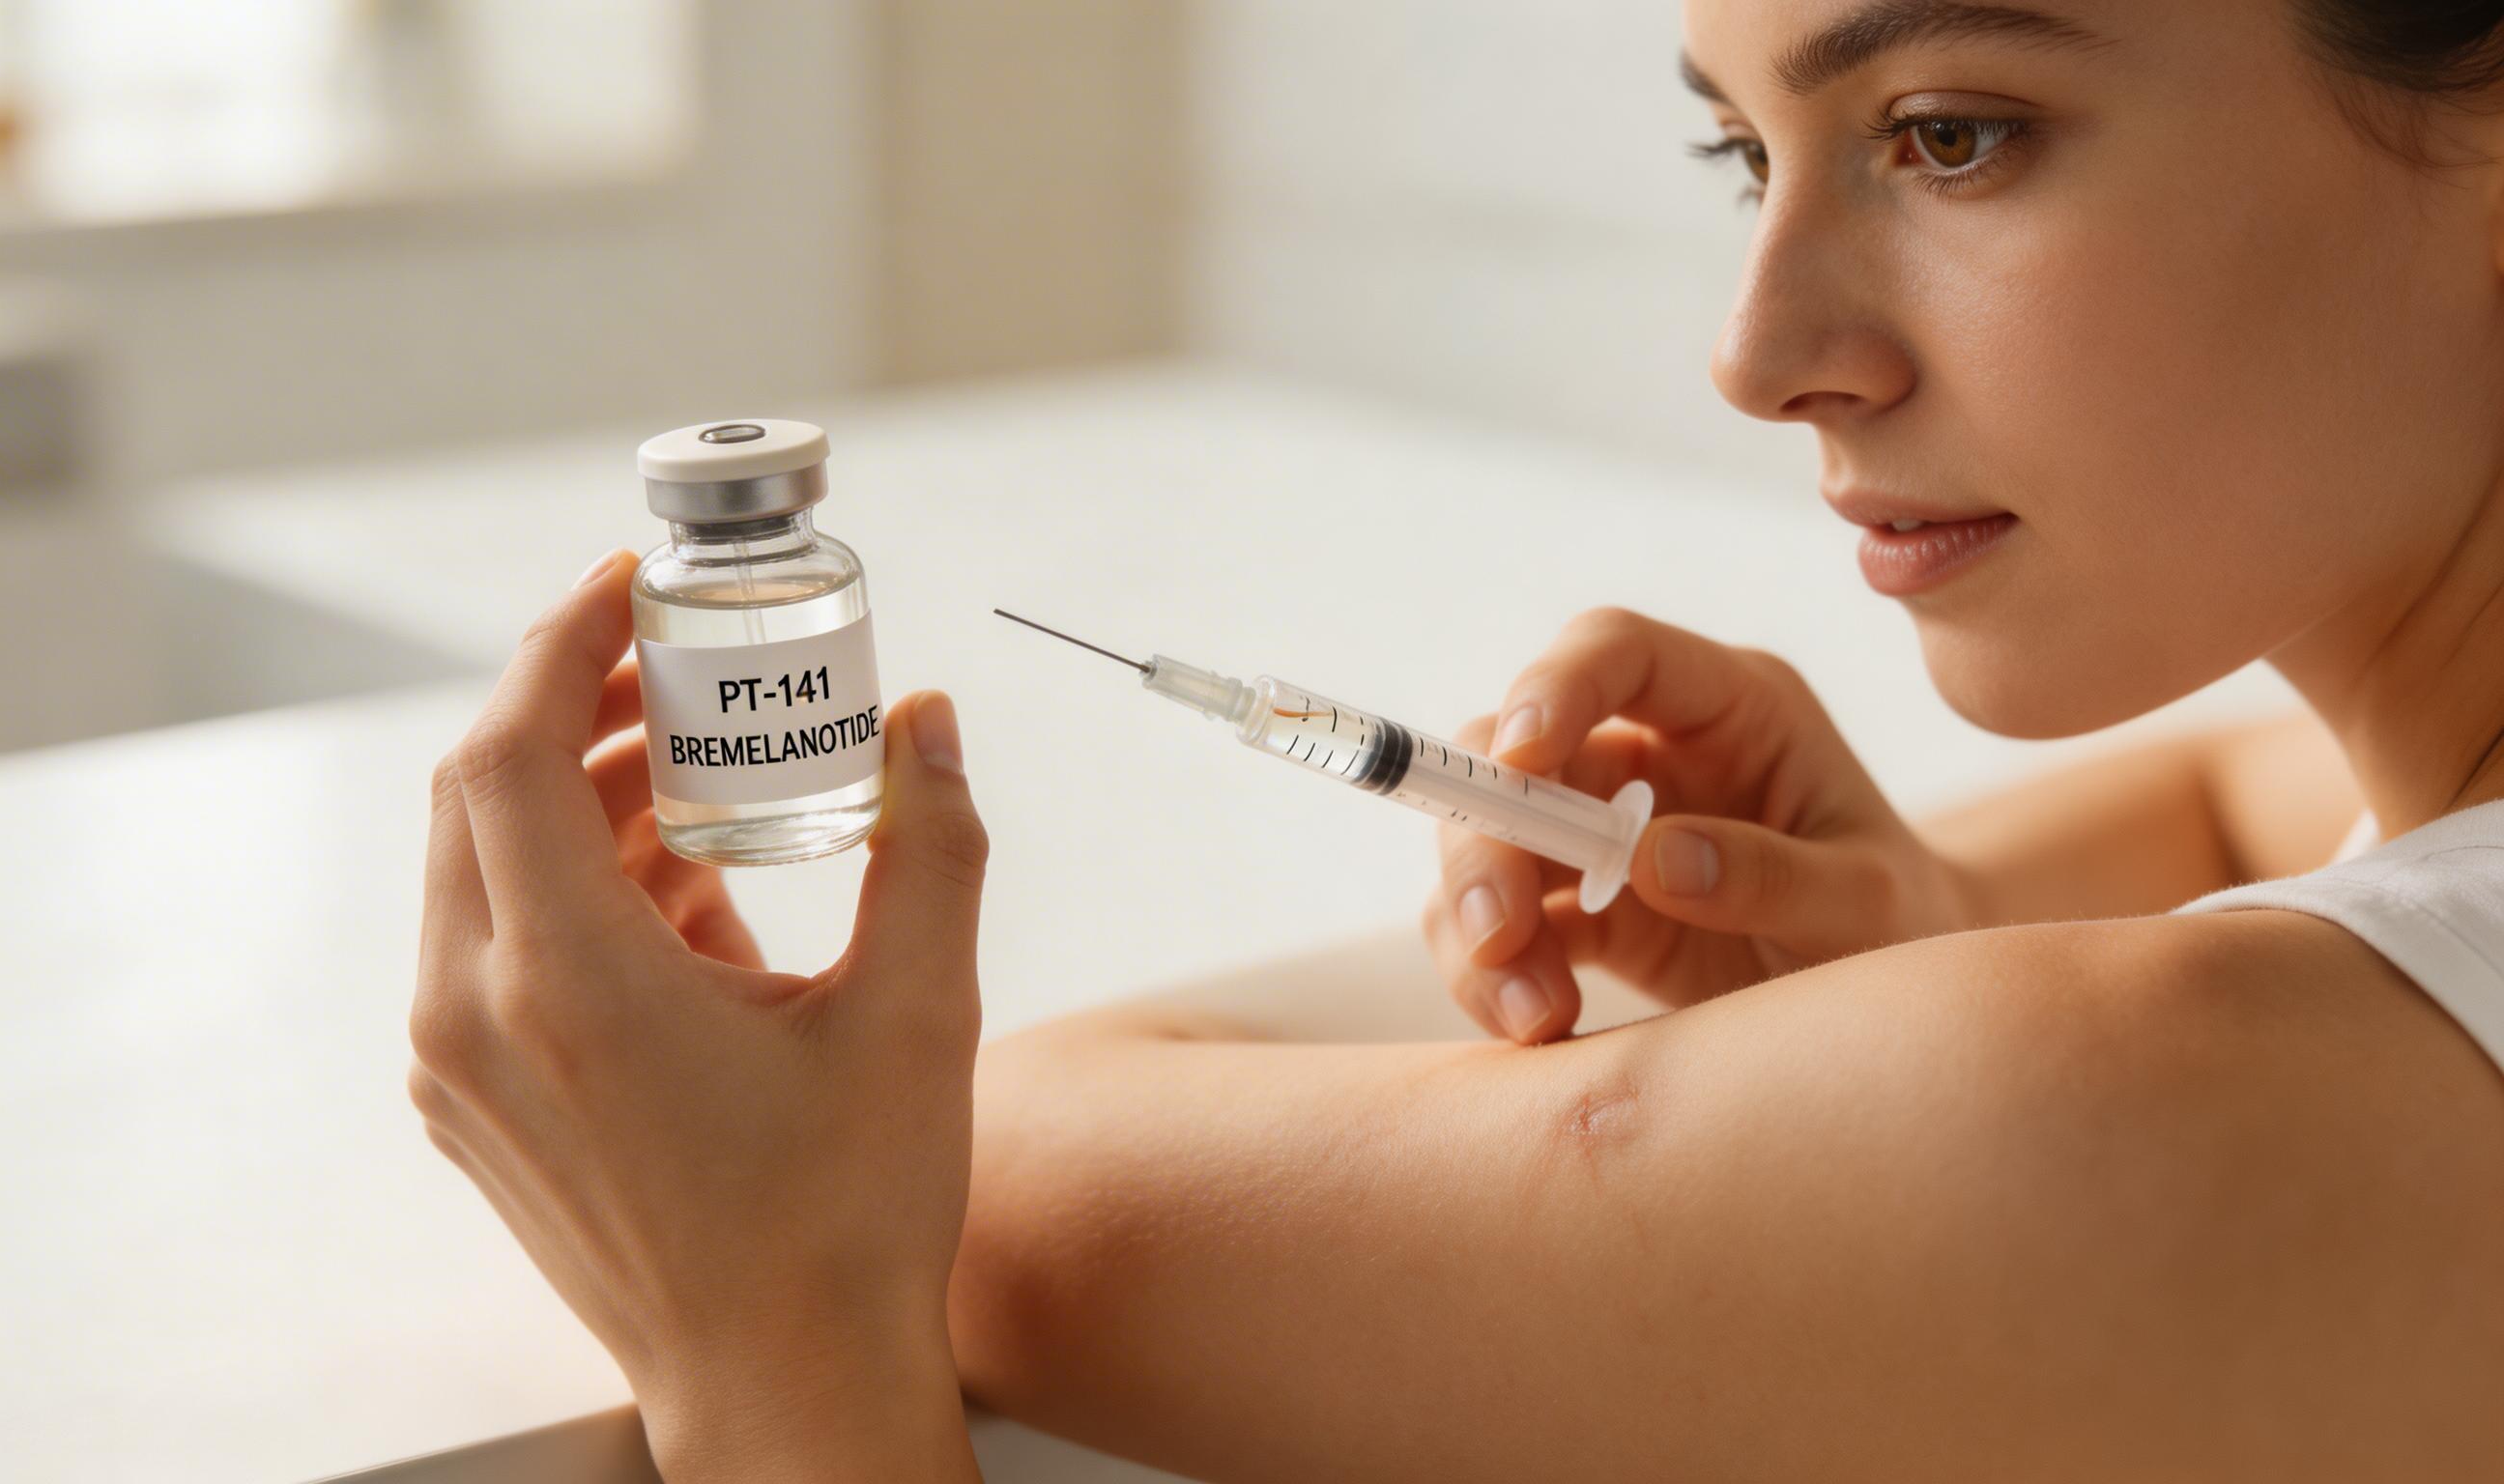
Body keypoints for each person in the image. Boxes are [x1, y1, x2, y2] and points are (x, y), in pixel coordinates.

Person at [411, 0, 2504, 1476]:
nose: (1759, 352)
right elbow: (2252, 798)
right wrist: (1938, 914)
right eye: (1743, 151)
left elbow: (959, 1192)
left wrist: (777, 1361)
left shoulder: (2167, 1109)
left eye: (1953, 130)